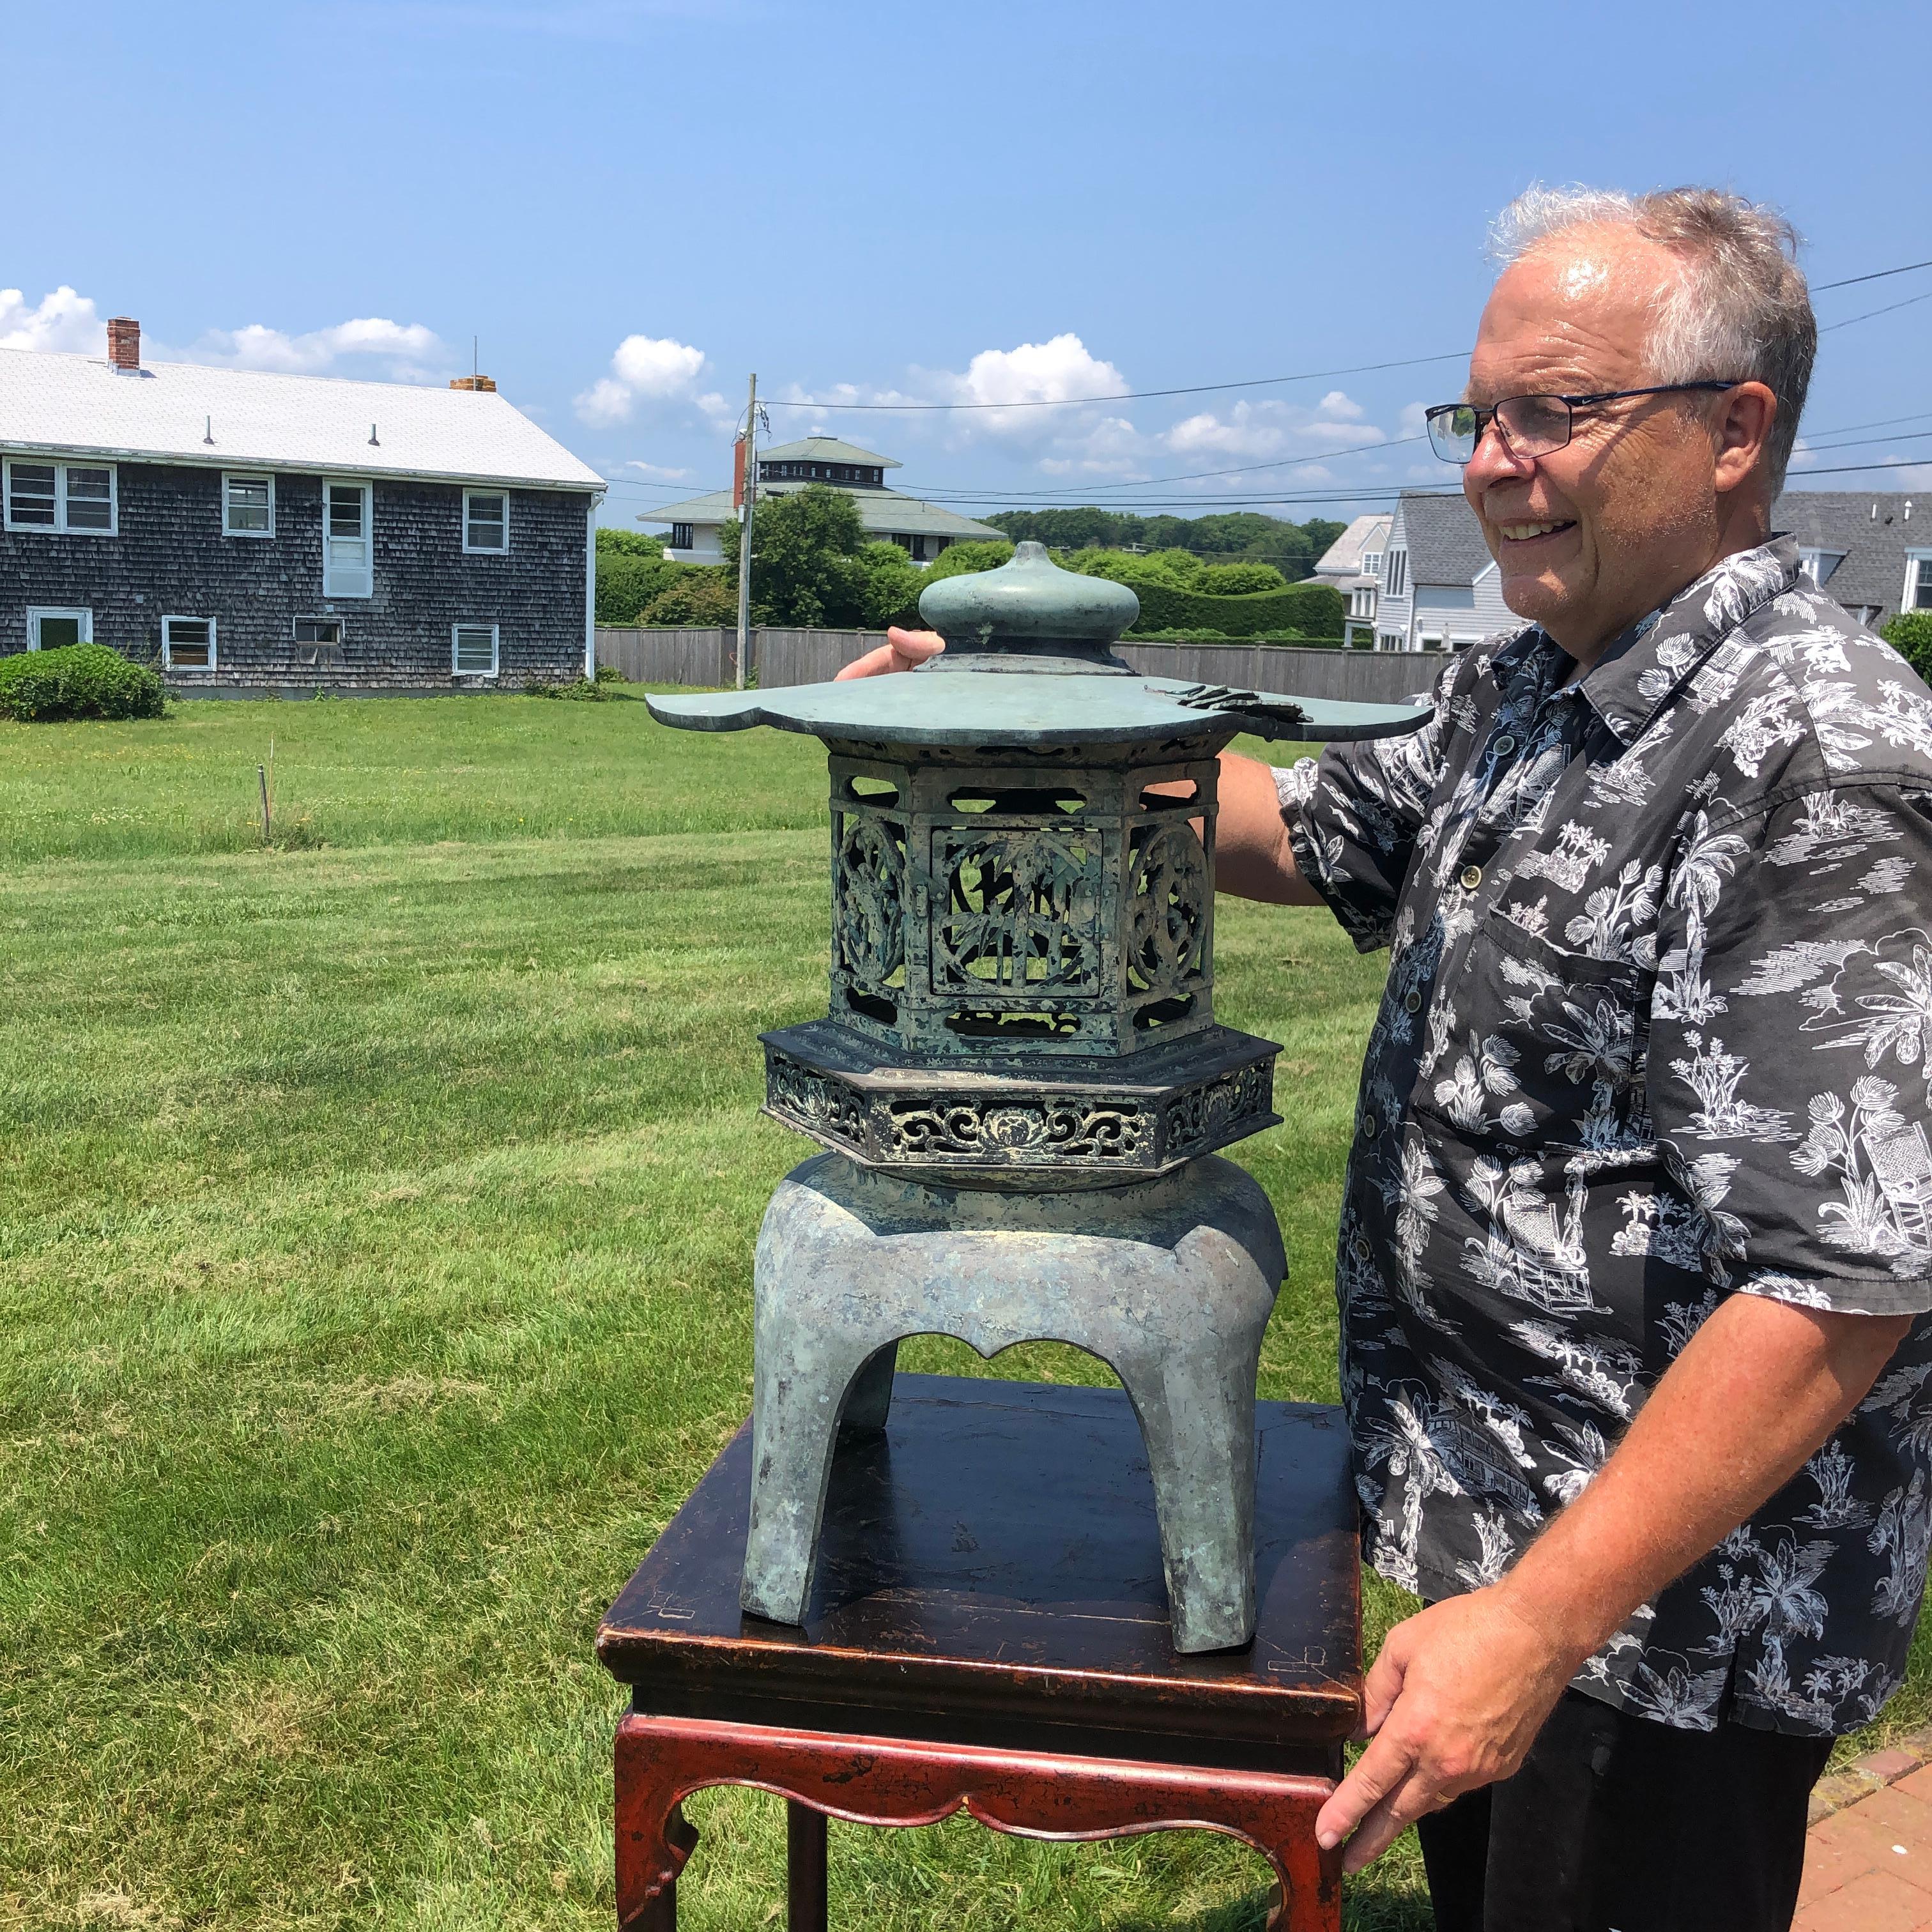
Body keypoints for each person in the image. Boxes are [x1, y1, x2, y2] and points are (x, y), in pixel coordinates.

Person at [841, 185, 1932, 1931]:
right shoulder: (1530, 689)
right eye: (1478, 417)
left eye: (1555, 414)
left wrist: (1538, 1625)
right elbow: (1300, 831)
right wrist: (1025, 725)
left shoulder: (1814, 754)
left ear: (1738, 436)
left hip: (1657, 1631)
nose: (1495, 462)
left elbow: (1840, 1285)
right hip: (1474, 1534)